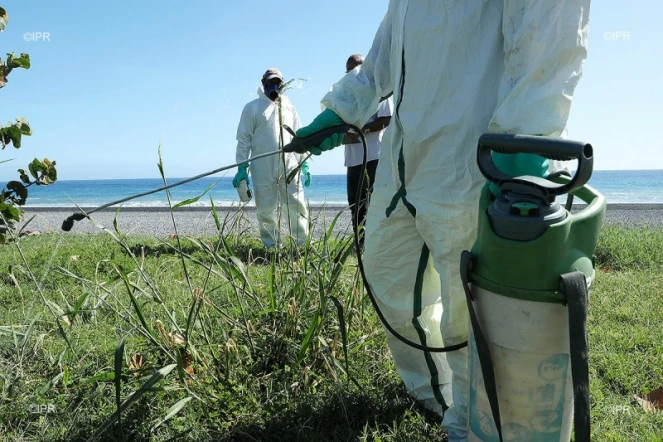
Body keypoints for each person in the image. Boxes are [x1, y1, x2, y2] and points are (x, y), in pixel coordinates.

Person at [295, 2, 591, 440]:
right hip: (402, 159)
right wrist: (341, 109)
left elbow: (548, 30)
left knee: (469, 311)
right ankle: (433, 393)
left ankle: (474, 426)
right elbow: (380, 61)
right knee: (387, 278)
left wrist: (526, 141)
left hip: (475, 157)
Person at [233, 68, 311, 249]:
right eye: (270, 82)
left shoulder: (289, 106)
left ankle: (301, 246)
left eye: (277, 82)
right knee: (266, 208)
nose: (273, 86)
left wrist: (304, 163)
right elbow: (243, 138)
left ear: (282, 85)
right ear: (263, 83)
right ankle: (272, 246)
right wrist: (241, 168)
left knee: (296, 205)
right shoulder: (252, 107)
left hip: (290, 164)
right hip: (262, 165)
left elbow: (299, 134)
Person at [342, 54, 393, 248]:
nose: (352, 74)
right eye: (348, 71)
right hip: (352, 159)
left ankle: (377, 246)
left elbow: (386, 118)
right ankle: (361, 244)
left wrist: (362, 130)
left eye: (355, 69)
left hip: (372, 158)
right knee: (355, 204)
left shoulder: (378, 91)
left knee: (374, 203)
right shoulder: (345, 96)